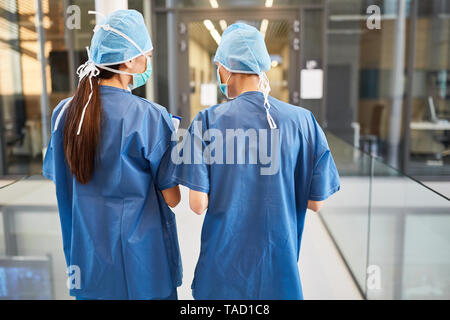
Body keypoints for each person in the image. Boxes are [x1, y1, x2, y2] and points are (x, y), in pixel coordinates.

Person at [172, 23, 340, 300]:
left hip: (221, 273)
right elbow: (316, 202)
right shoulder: (303, 121)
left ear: (225, 68)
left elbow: (197, 204)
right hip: (279, 272)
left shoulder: (205, 121)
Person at [43, 10, 182, 300]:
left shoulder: (64, 114)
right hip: (143, 271)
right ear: (130, 59)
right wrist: (173, 145)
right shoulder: (151, 117)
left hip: (89, 269)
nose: (149, 62)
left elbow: (61, 180)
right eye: (148, 55)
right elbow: (173, 198)